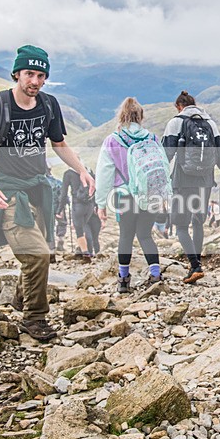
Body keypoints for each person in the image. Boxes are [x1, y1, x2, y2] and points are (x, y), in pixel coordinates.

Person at [0, 45, 95, 341]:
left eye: (41, 75)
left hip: (38, 189)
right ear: (17, 74)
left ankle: (22, 296)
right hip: (8, 192)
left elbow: (59, 143)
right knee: (37, 256)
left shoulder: (48, 105)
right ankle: (34, 319)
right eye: (29, 74)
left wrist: (82, 170)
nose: (35, 80)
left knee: (40, 250)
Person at [95, 97, 168, 293]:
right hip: (150, 195)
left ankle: (124, 280)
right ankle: (155, 274)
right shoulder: (152, 139)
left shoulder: (112, 140)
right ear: (141, 116)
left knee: (126, 236)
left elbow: (104, 174)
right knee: (145, 234)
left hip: (124, 196)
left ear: (122, 116)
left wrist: (101, 204)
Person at [161, 91, 220, 284]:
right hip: (205, 181)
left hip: (182, 180)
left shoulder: (176, 122)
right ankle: (197, 262)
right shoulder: (210, 123)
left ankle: (195, 266)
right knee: (198, 221)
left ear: (178, 106)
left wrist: (159, 179)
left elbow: (165, 153)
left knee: (181, 225)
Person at [60, 165, 100, 261]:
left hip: (77, 205)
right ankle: (94, 253)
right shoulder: (89, 172)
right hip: (90, 205)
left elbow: (63, 194)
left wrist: (59, 209)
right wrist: (98, 207)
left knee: (80, 231)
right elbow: (96, 190)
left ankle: (86, 254)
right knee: (91, 233)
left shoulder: (68, 173)